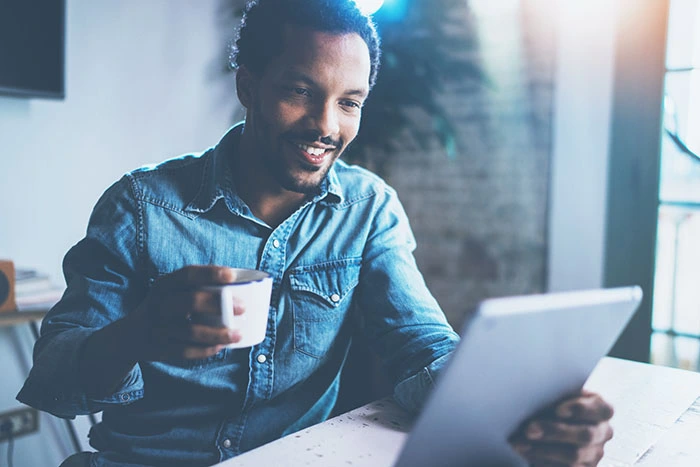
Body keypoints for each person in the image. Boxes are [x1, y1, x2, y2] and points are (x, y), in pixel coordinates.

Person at [18, 0, 614, 466]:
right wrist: (138, 335)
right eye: (300, 91)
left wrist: (525, 415)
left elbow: (422, 345)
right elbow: (55, 378)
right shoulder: (143, 205)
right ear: (249, 87)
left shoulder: (368, 209)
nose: (326, 126)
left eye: (349, 102)